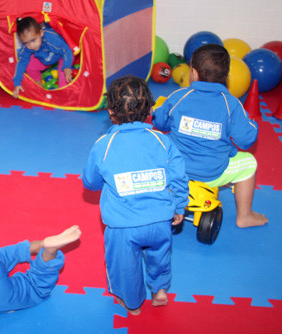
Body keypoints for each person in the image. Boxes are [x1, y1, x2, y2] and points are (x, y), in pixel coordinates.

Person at [82, 76, 189, 315]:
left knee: (124, 267)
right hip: (161, 220)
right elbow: (180, 177)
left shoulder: (104, 145)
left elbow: (90, 182)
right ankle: (160, 290)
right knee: (160, 256)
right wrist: (180, 207)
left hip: (123, 226)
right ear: (150, 110)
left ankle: (132, 305)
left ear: (110, 111)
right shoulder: (162, 141)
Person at [152, 44, 268, 228]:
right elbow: (246, 140)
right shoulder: (231, 104)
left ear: (194, 73)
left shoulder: (179, 96)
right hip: (212, 172)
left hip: (175, 168)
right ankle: (245, 216)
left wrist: (159, 110)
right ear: (226, 75)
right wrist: (252, 125)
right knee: (249, 164)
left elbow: (159, 123)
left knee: (159, 144)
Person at [12, 16, 74, 98]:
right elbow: (21, 64)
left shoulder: (51, 39)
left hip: (60, 55)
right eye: (26, 42)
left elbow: (67, 51)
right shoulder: (27, 47)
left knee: (64, 70)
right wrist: (17, 83)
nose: (31, 45)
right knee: (29, 65)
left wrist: (66, 67)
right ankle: (39, 89)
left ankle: (64, 91)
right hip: (45, 58)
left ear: (41, 33)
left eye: (33, 40)